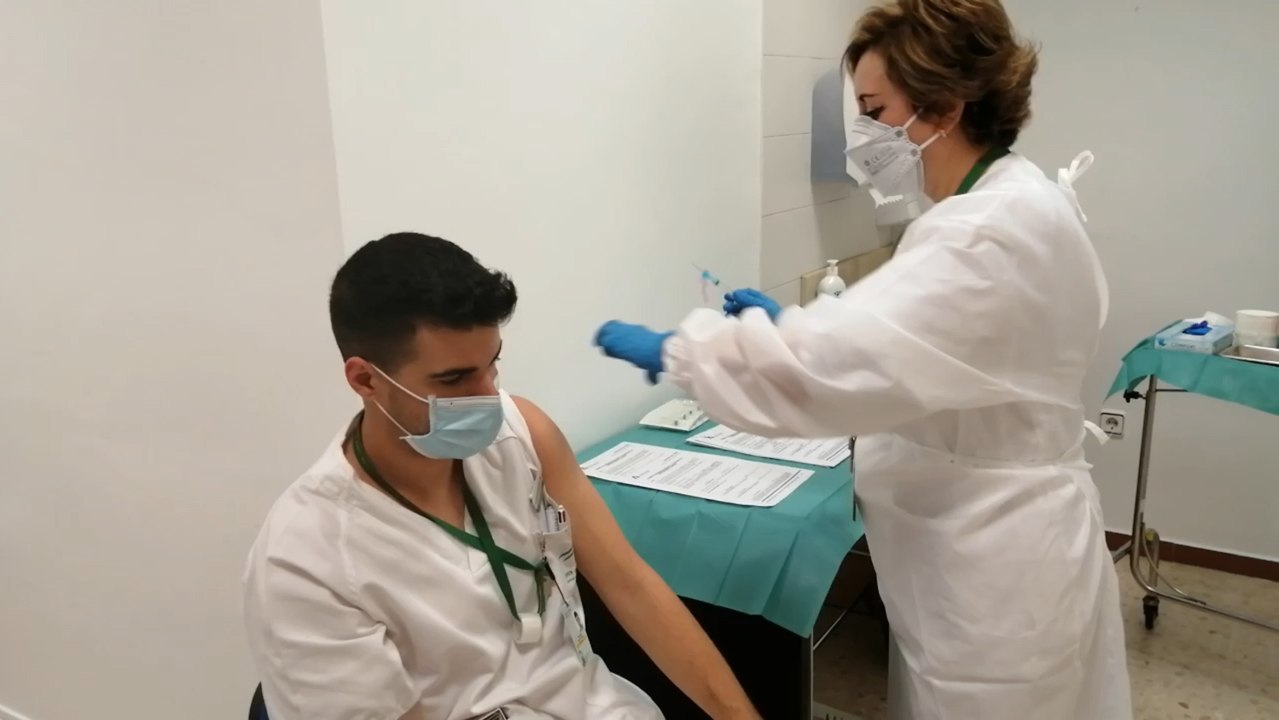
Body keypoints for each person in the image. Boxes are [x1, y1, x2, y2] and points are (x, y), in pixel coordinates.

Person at [592, 1, 1132, 718]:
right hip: (991, 540)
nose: (864, 135)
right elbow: (925, 347)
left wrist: (684, 351)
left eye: (874, 109)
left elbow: (826, 370)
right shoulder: (1011, 199)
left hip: (992, 566)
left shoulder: (984, 232)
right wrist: (800, 327)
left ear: (941, 104)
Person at [243, 232, 759, 720]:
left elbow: (632, 586)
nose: (489, 397)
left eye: (491, 365)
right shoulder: (305, 558)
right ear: (365, 379)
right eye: (454, 379)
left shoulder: (523, 434)